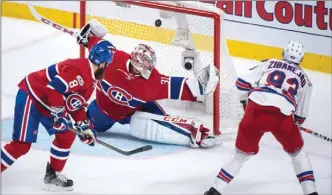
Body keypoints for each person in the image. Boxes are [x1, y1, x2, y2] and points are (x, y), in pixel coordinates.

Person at [76, 19, 222, 148]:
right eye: (146, 64)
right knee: (88, 126)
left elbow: (181, 87)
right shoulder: (111, 58)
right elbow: (95, 44)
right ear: (137, 63)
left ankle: (199, 136)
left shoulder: (152, 81)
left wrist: (201, 85)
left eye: (150, 64)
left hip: (135, 110)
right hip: (103, 111)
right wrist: (89, 38)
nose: (149, 68)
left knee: (164, 120)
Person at [204, 41, 318, 195]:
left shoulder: (268, 63)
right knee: (298, 154)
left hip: (255, 110)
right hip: (282, 117)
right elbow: (300, 115)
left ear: (283, 54)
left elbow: (241, 83)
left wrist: (246, 102)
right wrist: (294, 123)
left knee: (240, 155)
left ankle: (215, 190)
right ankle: (311, 192)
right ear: (302, 59)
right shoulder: (306, 81)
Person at [1, 43, 113, 191]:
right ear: (103, 63)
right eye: (108, 65)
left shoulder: (90, 79)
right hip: (32, 95)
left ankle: (52, 174)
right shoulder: (80, 71)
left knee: (66, 135)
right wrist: (58, 116)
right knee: (21, 145)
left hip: (48, 102)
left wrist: (85, 127)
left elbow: (74, 103)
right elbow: (53, 89)